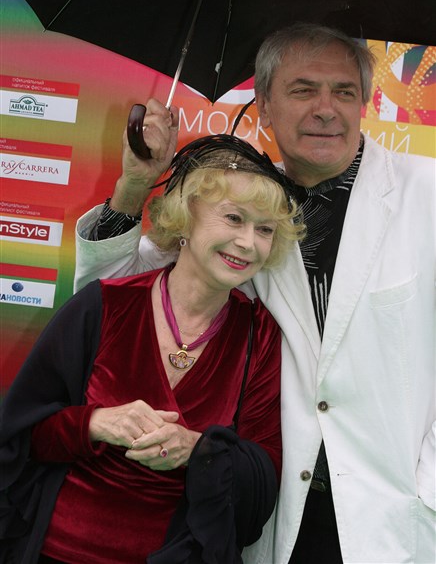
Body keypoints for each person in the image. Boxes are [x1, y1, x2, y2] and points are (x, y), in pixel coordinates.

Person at [73, 22, 435, 564]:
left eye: (343, 91)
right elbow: (110, 296)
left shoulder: (428, 192)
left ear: (364, 102)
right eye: (303, 89)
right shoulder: (244, 205)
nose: (325, 109)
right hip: (277, 512)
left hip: (400, 513)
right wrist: (135, 184)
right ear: (264, 105)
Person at [0, 135, 305, 564]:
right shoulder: (104, 304)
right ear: (185, 216)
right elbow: (20, 435)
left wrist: (197, 450)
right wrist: (95, 423)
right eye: (234, 218)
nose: (248, 242)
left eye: (265, 229)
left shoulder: (261, 335)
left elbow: (262, 482)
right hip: (53, 551)